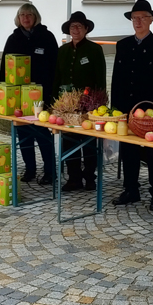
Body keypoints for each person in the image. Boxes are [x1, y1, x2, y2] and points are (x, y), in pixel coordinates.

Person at [111, 0, 153, 211]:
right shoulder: (123, 45)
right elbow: (117, 78)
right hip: (128, 107)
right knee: (129, 150)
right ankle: (131, 189)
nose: (138, 21)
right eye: (135, 18)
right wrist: (115, 108)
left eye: (143, 17)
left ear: (151, 20)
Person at [0, 3, 59, 186]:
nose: (25, 18)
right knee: (24, 134)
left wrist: (52, 96)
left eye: (29, 15)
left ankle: (50, 171)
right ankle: (30, 168)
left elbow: (55, 67)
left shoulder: (47, 37)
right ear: (18, 18)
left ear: (35, 17)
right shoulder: (13, 39)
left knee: (42, 133)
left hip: (42, 95)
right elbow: (4, 67)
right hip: (17, 96)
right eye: (22, 15)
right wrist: (2, 92)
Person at [53, 11, 106, 192]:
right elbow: (57, 77)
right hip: (66, 106)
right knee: (68, 141)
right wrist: (55, 102)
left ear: (86, 29)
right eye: (72, 27)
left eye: (79, 26)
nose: (75, 30)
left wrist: (100, 105)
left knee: (89, 142)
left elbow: (100, 79)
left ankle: (90, 177)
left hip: (88, 105)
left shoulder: (94, 50)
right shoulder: (62, 51)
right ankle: (73, 177)